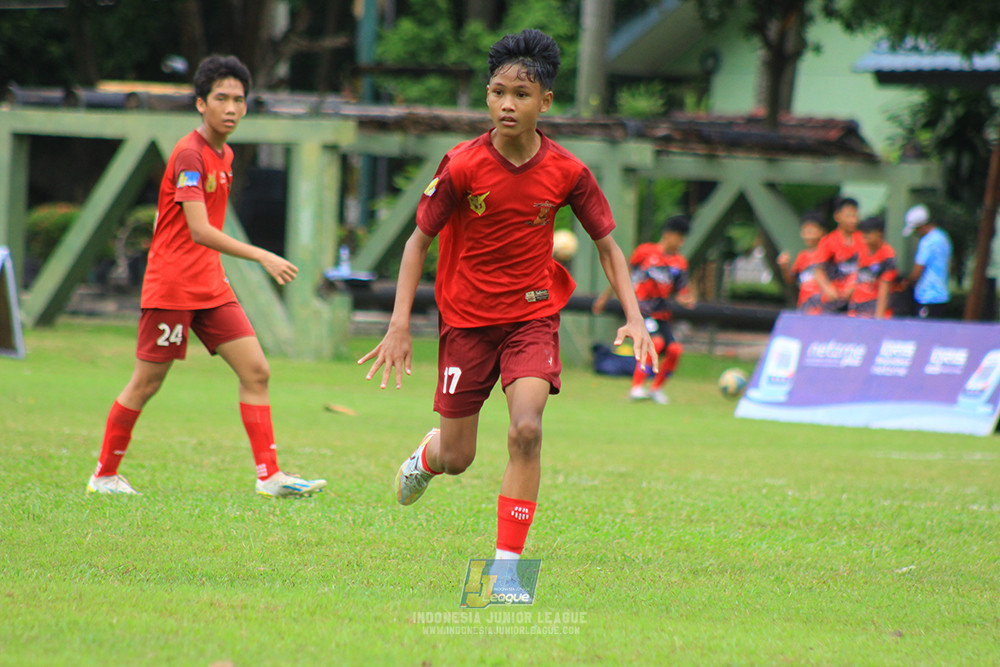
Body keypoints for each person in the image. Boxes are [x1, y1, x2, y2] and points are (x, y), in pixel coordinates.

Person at [358, 30, 656, 579]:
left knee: (527, 429)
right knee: (458, 458)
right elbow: (416, 242)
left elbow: (608, 246)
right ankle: (429, 454)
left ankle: (507, 572)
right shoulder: (462, 164)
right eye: (497, 92)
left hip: (532, 316)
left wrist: (634, 316)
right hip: (466, 322)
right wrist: (399, 324)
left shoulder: (568, 171)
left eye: (521, 94)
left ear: (545, 101)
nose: (506, 105)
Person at [87, 55, 326, 498]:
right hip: (173, 286)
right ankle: (103, 476)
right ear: (201, 103)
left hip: (210, 286)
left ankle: (269, 477)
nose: (231, 108)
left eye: (239, 100)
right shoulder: (189, 154)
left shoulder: (225, 153)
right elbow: (199, 230)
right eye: (222, 99)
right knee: (147, 383)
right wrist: (262, 256)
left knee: (256, 370)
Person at [593, 215, 696, 405]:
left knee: (675, 349)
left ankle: (656, 389)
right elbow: (622, 274)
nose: (681, 243)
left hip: (662, 314)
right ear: (668, 234)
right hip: (642, 311)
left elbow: (682, 291)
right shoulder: (644, 252)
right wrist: (604, 297)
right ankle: (636, 387)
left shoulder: (679, 263)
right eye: (679, 237)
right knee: (654, 343)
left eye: (684, 239)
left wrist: (686, 299)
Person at [899, 204, 952, 319]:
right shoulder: (943, 237)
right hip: (942, 294)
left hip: (927, 296)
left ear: (921, 226)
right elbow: (949, 265)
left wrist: (907, 283)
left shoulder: (927, 242)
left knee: (924, 332)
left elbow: (918, 269)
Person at [813, 196, 862, 313]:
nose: (853, 220)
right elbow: (818, 270)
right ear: (837, 216)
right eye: (848, 216)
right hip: (833, 300)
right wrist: (828, 289)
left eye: (855, 216)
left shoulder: (863, 240)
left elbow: (868, 268)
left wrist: (853, 287)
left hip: (858, 299)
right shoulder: (828, 241)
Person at [776, 211, 826, 315]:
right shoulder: (802, 256)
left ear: (821, 232)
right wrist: (784, 267)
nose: (808, 236)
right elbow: (791, 279)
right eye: (805, 231)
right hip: (804, 307)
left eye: (811, 231)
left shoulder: (827, 255)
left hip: (823, 308)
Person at [847, 216, 897, 319]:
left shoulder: (887, 255)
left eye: (868, 232)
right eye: (863, 231)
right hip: (856, 310)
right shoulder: (859, 249)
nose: (864, 235)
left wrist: (878, 320)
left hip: (875, 310)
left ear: (879, 233)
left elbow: (884, 291)